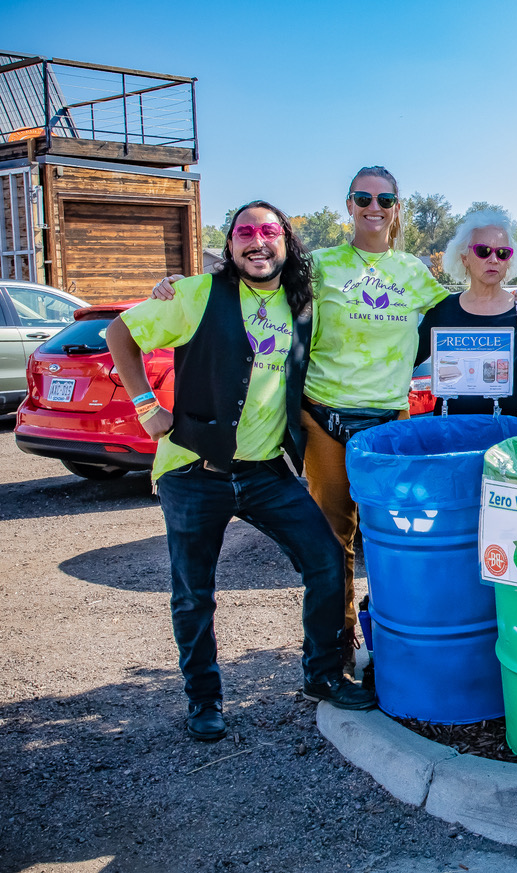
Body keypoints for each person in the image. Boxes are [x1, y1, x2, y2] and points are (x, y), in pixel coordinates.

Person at [152, 168, 517, 668]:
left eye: (384, 198)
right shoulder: (317, 265)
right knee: (333, 541)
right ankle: (337, 651)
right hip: (325, 420)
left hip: (388, 425)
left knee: (393, 535)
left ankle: (392, 639)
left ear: (397, 206)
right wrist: (184, 285)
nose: (373, 206)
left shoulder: (414, 273)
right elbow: (256, 283)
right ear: (350, 204)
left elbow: (464, 306)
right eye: (363, 197)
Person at [106, 201, 375, 742]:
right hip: (192, 468)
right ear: (229, 245)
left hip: (264, 470)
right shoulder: (195, 295)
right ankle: (203, 699)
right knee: (193, 592)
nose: (257, 242)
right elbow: (119, 334)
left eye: (268, 232)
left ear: (285, 242)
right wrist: (144, 407)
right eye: (245, 233)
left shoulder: (304, 303)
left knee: (325, 561)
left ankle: (322, 675)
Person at [416, 209, 517, 422]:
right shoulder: (442, 311)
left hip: (513, 443)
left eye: (502, 253)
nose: (494, 259)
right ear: (464, 258)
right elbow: (407, 360)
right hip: (456, 441)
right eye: (483, 251)